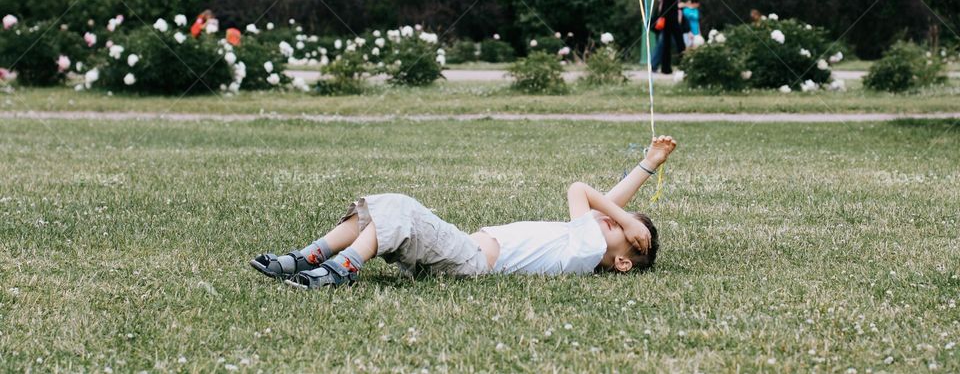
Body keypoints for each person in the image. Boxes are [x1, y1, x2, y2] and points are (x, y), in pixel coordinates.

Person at [250, 135, 678, 288]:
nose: (615, 218)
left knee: (400, 207)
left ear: (623, 261)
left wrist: (624, 219)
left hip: (469, 260)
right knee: (379, 213)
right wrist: (649, 164)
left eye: (626, 230)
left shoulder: (586, 250)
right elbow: (605, 202)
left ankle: (340, 267)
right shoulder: (584, 240)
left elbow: (581, 189)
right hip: (461, 255)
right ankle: (310, 258)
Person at [652, 0, 685, 74]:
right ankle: (685, 65)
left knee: (666, 45)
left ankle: (665, 68)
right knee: (680, 44)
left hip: (667, 22)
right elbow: (668, 9)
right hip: (672, 22)